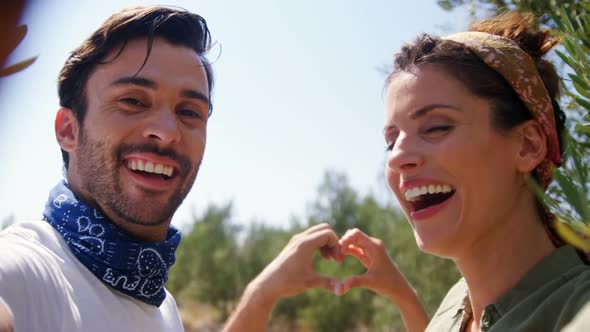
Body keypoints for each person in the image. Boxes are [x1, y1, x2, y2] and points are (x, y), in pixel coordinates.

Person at [223, 12, 590, 332]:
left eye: (436, 127)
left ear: (527, 145)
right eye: (391, 139)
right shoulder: (458, 305)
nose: (398, 157)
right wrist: (262, 294)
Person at [0, 6, 214, 331]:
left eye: (189, 111)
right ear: (69, 130)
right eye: (133, 101)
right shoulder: (23, 274)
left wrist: (262, 294)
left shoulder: (163, 308)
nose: (168, 131)